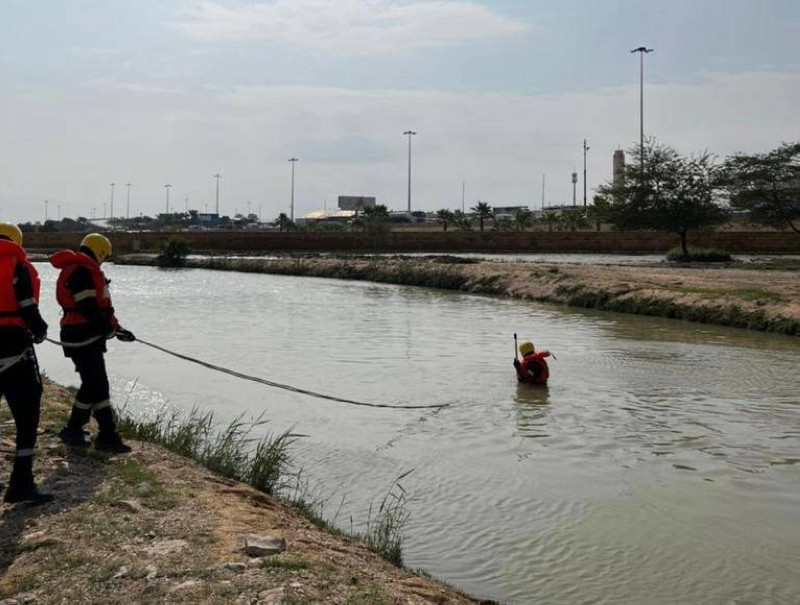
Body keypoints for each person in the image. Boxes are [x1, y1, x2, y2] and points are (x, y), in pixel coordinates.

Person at [50, 233, 136, 453]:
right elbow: (89, 307)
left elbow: (101, 310)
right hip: (82, 335)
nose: (103, 261)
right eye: (104, 257)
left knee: (97, 383)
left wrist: (117, 329)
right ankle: (79, 429)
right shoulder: (82, 271)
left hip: (82, 334)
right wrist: (106, 329)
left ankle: (105, 433)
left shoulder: (82, 269)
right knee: (94, 383)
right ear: (99, 252)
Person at [0, 222, 53, 503]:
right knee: (28, 412)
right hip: (14, 349)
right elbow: (27, 306)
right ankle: (21, 483)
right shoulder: (17, 266)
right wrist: (40, 329)